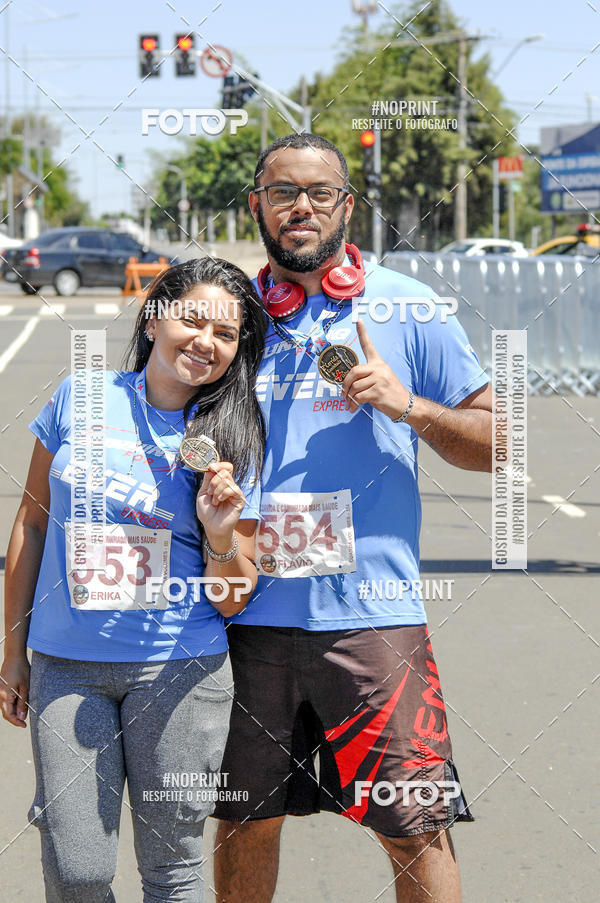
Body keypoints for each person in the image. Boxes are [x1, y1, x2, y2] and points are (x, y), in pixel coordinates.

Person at [213, 134, 493, 903]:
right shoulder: (226, 319)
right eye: (282, 192)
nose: (300, 206)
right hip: (244, 617)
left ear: (348, 205)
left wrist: (410, 406)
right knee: (244, 822)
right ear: (257, 204)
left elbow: (502, 441)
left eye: (320, 192)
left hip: (373, 621)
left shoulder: (409, 306)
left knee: (415, 825)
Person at [0, 257, 267, 902]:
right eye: (192, 320)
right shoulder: (81, 396)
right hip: (67, 666)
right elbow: (31, 523)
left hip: (180, 671)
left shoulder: (232, 438)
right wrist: (12, 648)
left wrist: (220, 533)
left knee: (173, 870)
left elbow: (233, 598)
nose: (206, 342)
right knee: (78, 870)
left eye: (226, 334)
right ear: (153, 320)